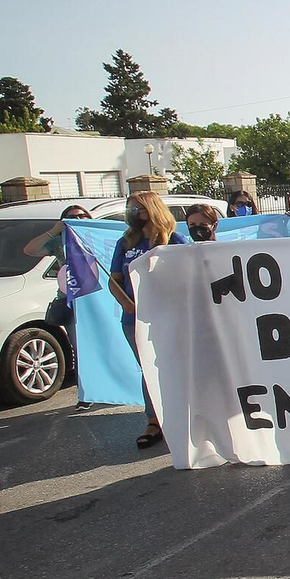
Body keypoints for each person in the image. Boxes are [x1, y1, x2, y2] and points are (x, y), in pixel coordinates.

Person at [107, 192, 187, 448]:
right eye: (130, 209)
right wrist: (125, 303)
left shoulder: (173, 240)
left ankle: (183, 416)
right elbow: (114, 280)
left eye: (137, 209)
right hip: (134, 320)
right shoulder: (126, 242)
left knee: (176, 365)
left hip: (167, 316)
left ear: (151, 209)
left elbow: (188, 277)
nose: (133, 214)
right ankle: (153, 420)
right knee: (149, 369)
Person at [23, 204, 94, 410]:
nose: (78, 219)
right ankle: (86, 393)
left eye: (82, 215)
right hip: (72, 301)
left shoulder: (96, 236)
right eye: (72, 217)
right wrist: (54, 230)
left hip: (99, 300)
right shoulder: (59, 242)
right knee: (80, 348)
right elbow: (30, 250)